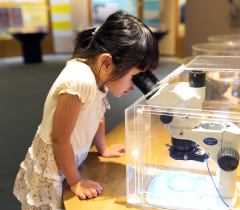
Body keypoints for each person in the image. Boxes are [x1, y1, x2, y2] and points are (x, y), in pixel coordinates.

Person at [13, 10, 159, 209]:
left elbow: (98, 113)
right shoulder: (79, 80)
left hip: (70, 156)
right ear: (107, 62)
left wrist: (103, 147)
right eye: (134, 76)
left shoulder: (100, 75)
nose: (134, 85)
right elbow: (59, 138)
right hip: (54, 162)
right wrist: (76, 182)